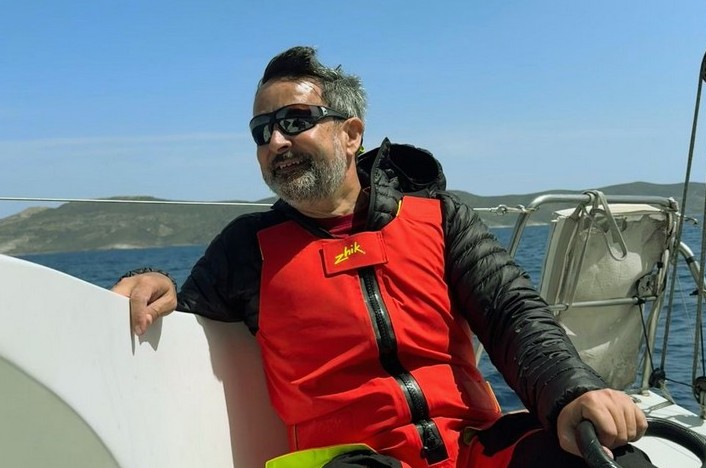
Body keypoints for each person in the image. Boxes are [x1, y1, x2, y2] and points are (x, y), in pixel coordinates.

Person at [113, 46, 652, 468]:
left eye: (295, 120)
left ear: (351, 134)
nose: (275, 140)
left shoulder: (441, 219)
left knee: (612, 459)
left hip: (471, 447)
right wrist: (152, 279)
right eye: (262, 131)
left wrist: (571, 393)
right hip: (347, 462)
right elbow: (185, 312)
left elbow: (513, 313)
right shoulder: (245, 249)